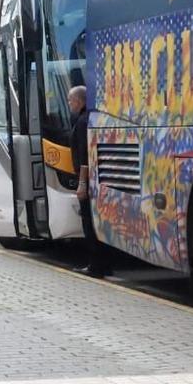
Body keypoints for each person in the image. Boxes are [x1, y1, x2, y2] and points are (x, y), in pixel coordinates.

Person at [67, 84, 111, 278]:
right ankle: (104, 263)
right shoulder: (88, 119)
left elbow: (85, 156)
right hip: (95, 178)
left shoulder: (83, 121)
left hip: (88, 179)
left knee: (89, 222)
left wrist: (82, 184)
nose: (69, 104)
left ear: (79, 101)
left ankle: (96, 265)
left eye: (70, 101)